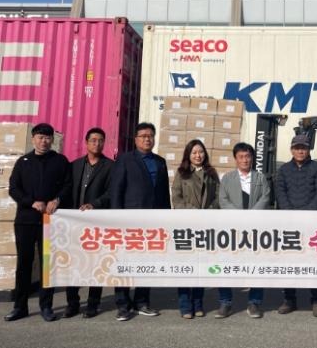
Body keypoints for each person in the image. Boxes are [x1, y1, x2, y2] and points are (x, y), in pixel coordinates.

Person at [4, 123, 72, 322]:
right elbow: (13, 188)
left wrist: (57, 200)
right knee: (24, 264)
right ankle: (20, 307)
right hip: (25, 221)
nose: (44, 141)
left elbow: (68, 185)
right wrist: (31, 202)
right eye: (40, 137)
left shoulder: (60, 161)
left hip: (50, 222)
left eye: (48, 137)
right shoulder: (23, 161)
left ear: (52, 140)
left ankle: (46, 306)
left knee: (47, 265)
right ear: (33, 139)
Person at [109, 122, 171, 321]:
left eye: (150, 136)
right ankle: (123, 305)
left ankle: (142, 302)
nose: (147, 139)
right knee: (124, 263)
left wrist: (167, 219)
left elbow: (164, 194)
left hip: (153, 223)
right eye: (143, 136)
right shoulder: (125, 160)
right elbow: (116, 190)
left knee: (147, 263)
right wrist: (116, 218)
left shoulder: (160, 162)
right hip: (129, 221)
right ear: (135, 139)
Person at [274, 134, 317, 318]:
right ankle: (289, 299)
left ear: (308, 150)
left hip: (312, 223)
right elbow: (280, 192)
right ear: (291, 150)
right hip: (289, 223)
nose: (300, 151)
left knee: (314, 261)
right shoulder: (283, 170)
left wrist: (307, 213)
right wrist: (290, 213)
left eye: (303, 148)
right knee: (289, 261)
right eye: (297, 148)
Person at [215, 142, 272, 319]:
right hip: (232, 229)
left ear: (252, 158)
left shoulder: (260, 178)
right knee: (226, 265)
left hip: (255, 229)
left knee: (257, 265)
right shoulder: (227, 178)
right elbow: (223, 200)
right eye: (241, 157)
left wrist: (251, 216)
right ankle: (225, 302)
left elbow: (266, 197)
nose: (245, 160)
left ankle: (254, 302)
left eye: (248, 156)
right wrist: (239, 216)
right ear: (235, 159)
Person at [64, 127, 113, 319]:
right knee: (72, 263)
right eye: (93, 140)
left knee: (95, 263)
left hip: (96, 221)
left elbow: (111, 192)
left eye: (100, 140)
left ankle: (93, 304)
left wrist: (95, 204)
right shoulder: (74, 165)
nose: (97, 144)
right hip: (74, 222)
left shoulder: (110, 166)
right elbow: (66, 189)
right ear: (86, 142)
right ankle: (72, 303)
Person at [171, 139, 220, 319]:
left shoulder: (211, 173)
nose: (198, 155)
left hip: (205, 226)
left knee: (200, 267)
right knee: (185, 267)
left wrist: (209, 211)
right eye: (194, 152)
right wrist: (192, 211)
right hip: (186, 226)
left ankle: (198, 303)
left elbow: (218, 198)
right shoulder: (182, 173)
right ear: (188, 155)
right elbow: (176, 198)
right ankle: (185, 306)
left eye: (201, 152)